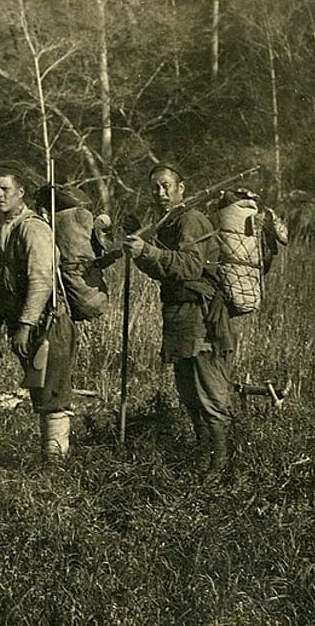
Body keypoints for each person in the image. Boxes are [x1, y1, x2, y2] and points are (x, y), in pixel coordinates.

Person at [122, 164, 235, 473]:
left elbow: (189, 267)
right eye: (154, 188)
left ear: (181, 188)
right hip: (179, 319)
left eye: (166, 186)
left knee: (209, 395)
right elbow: (164, 270)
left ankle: (220, 467)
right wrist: (143, 250)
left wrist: (148, 250)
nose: (160, 193)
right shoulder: (168, 224)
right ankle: (203, 459)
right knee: (189, 395)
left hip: (202, 318)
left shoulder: (192, 220)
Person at [0, 162, 77, 461]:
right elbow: (1, 285)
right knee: (40, 390)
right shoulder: (3, 230)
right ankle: (50, 457)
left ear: (20, 192)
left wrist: (24, 325)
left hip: (48, 324)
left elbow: (41, 280)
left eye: (5, 189)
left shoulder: (33, 228)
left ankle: (56, 465)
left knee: (52, 394)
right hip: (25, 326)